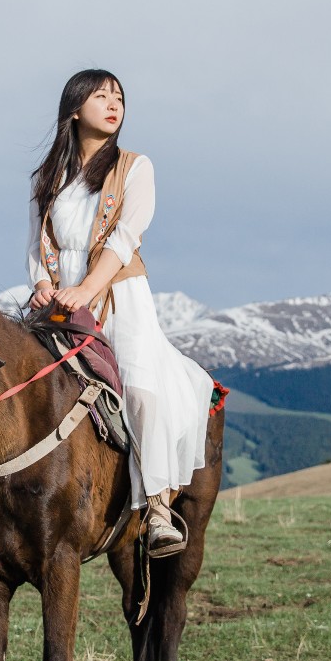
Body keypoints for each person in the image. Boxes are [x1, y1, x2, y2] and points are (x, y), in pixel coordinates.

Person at [25, 69, 213, 557]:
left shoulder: (135, 166)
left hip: (118, 295)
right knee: (14, 377)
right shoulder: (46, 178)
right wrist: (43, 284)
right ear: (73, 108)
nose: (114, 104)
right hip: (62, 299)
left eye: (119, 97)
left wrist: (88, 288)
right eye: (100, 95)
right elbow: (36, 244)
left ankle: (155, 507)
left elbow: (127, 235)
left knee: (140, 389)